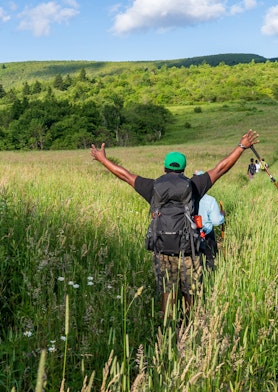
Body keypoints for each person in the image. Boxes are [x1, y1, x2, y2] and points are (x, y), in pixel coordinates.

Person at [90, 130, 259, 319]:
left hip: (162, 249)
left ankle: (167, 329)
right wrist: (242, 146)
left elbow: (125, 175)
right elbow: (221, 168)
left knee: (167, 291)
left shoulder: (153, 187)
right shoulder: (194, 185)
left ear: (164, 168)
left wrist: (102, 159)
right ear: (184, 169)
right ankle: (189, 328)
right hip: (189, 250)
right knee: (191, 292)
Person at [193, 170, 225, 271]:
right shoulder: (210, 200)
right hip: (207, 236)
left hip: (190, 235)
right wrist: (222, 216)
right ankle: (209, 281)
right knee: (210, 262)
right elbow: (216, 221)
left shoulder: (186, 198)